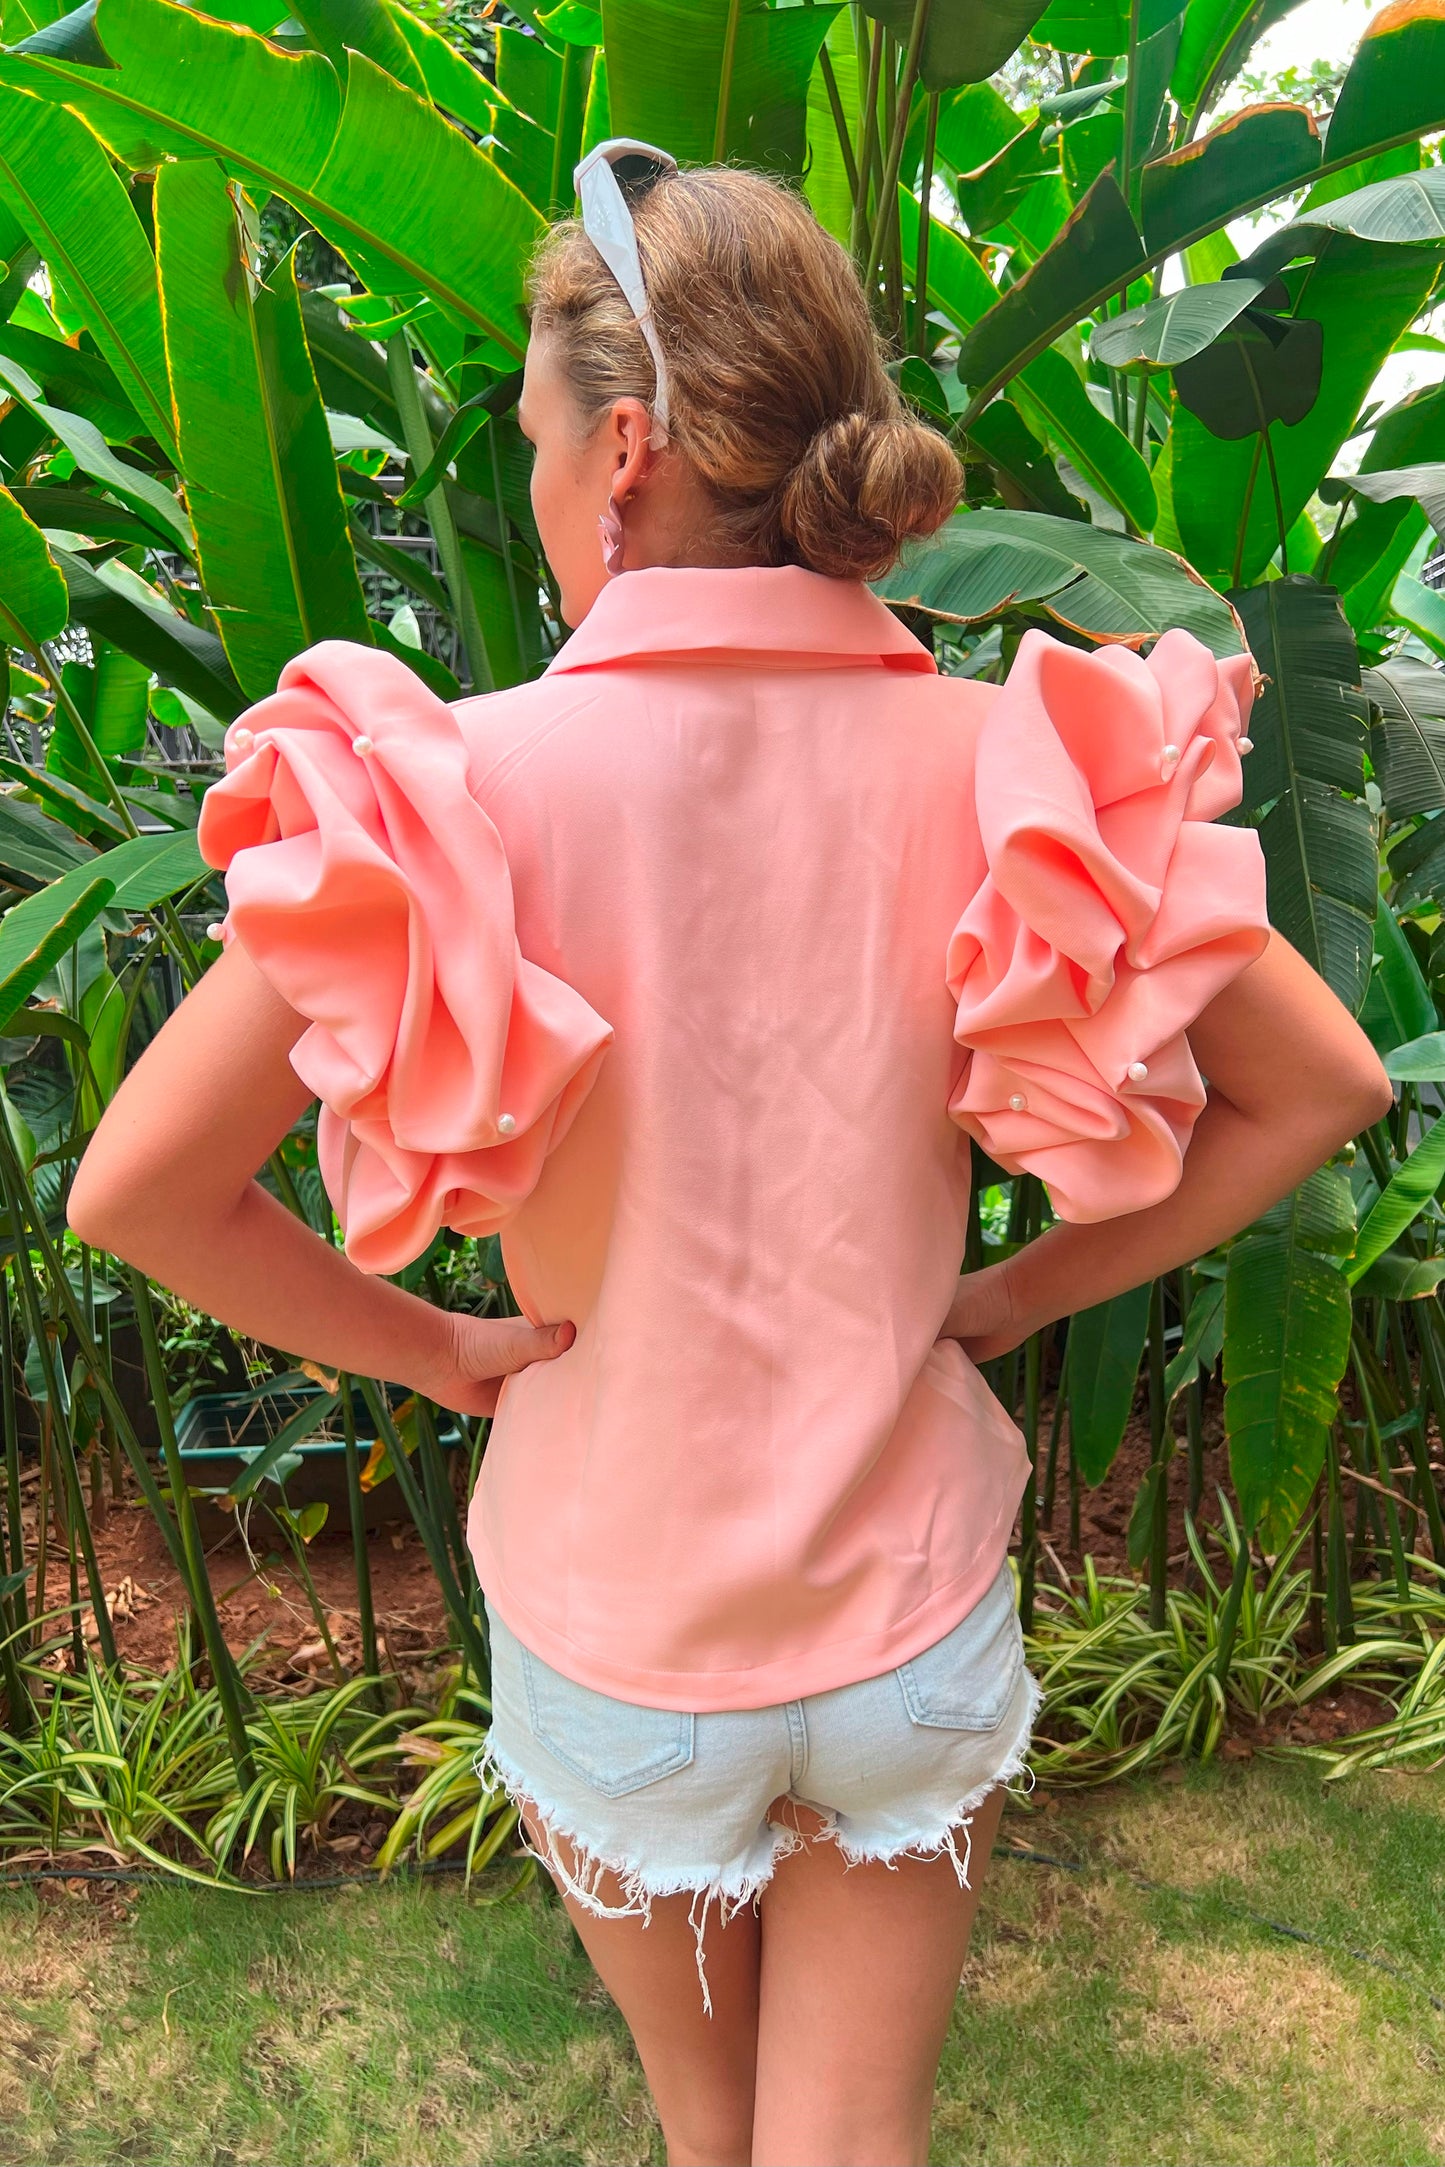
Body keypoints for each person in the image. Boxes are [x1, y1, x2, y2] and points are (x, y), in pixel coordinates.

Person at [68, 142, 1391, 2167]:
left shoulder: (455, 790)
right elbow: (1323, 1090)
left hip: (624, 1638)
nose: (527, 481)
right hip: (909, 1613)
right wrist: (1011, 1295)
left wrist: (429, 1354)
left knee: (717, 2146)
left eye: (529, 439)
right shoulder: (1007, 759)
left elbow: (139, 1187)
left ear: (620, 454)